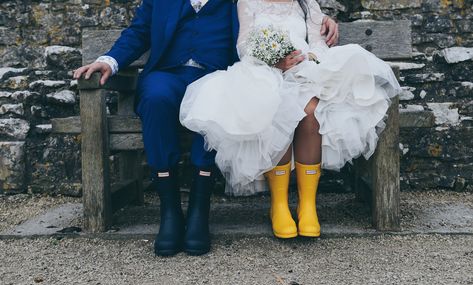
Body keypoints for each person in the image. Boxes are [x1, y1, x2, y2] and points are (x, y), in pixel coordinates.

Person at [73, 0, 342, 254]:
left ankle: (199, 209)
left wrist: (319, 17)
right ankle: (170, 212)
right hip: (167, 73)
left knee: (216, 97)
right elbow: (139, 31)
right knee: (155, 98)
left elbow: (270, 14)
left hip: (213, 72)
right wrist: (109, 61)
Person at [180, 0, 401, 239]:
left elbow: (317, 42)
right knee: (277, 107)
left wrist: (310, 57)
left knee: (311, 112)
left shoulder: (306, 4)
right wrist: (273, 59)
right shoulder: (247, 2)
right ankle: (279, 205)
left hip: (304, 72)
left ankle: (307, 205)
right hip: (263, 73)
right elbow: (243, 45)